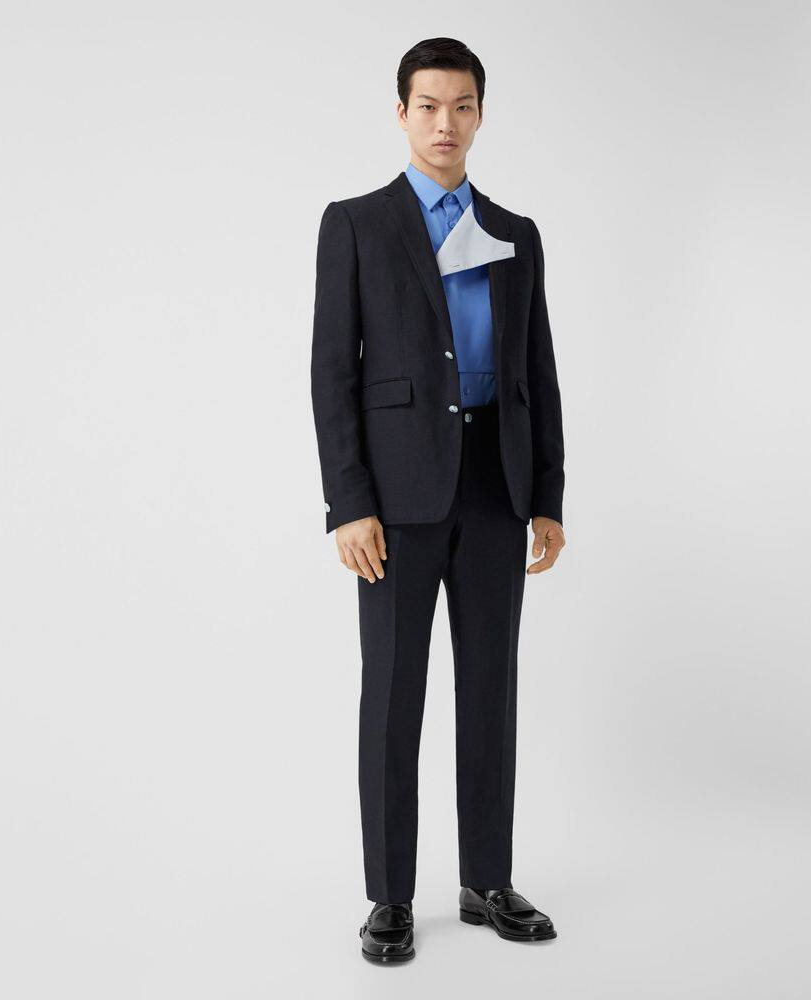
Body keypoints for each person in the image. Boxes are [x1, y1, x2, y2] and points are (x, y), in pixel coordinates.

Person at [310, 37, 566, 963]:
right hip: (396, 499)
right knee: (393, 695)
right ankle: (390, 896)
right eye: (428, 105)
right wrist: (348, 503)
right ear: (402, 113)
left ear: (480, 114)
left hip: (497, 488)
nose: (444, 123)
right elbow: (333, 373)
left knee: (490, 690)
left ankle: (487, 880)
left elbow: (537, 369)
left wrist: (548, 494)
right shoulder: (356, 224)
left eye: (461, 106)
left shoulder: (516, 232)